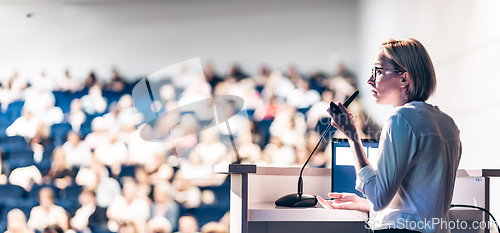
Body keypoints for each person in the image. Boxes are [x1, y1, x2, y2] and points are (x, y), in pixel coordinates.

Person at [321, 38, 461, 233]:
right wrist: (365, 204)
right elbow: (420, 201)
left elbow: (379, 198)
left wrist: (353, 136)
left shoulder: (400, 118)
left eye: (378, 71)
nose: (370, 80)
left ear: (404, 79)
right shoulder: (448, 123)